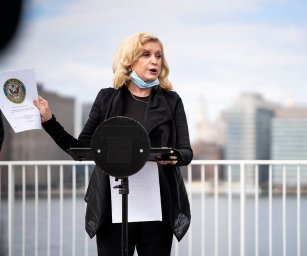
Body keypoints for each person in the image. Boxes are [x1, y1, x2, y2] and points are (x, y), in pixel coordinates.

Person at [34, 32, 193, 256]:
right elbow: (80, 149)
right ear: (129, 60)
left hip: (158, 207)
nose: (154, 60)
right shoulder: (106, 98)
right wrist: (50, 122)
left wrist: (172, 156)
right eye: (146, 54)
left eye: (158, 55)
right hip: (112, 206)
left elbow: (186, 151)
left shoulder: (171, 100)